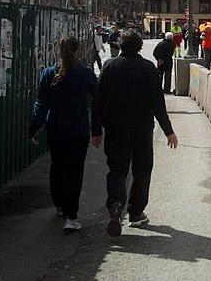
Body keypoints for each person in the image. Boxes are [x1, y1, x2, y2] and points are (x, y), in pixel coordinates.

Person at [91, 31, 178, 237]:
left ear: (121, 46)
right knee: (142, 169)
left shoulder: (109, 66)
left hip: (115, 129)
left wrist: (95, 131)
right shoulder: (148, 68)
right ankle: (136, 212)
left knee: (117, 169)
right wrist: (168, 131)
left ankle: (116, 203)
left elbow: (98, 100)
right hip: (141, 129)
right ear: (139, 47)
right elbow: (158, 102)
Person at [29, 36, 97, 233]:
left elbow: (41, 105)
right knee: (75, 172)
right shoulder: (84, 74)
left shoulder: (48, 74)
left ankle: (59, 205)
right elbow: (99, 97)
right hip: (78, 131)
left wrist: (33, 128)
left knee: (57, 168)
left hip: (55, 129)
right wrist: (98, 127)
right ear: (76, 51)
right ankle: (71, 216)